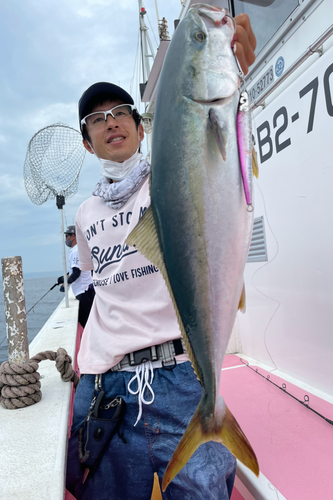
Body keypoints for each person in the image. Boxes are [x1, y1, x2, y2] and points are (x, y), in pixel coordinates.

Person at [66, 14, 256, 500]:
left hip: (181, 374)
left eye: (121, 112)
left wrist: (238, 76)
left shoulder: (170, 181)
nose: (111, 122)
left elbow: (220, 163)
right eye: (96, 119)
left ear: (142, 126)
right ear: (88, 144)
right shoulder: (86, 213)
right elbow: (93, 284)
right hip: (108, 389)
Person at [57, 225, 95, 328]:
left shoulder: (76, 251)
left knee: (85, 323)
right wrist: (64, 278)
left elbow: (77, 273)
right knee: (88, 321)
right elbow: (75, 270)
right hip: (86, 290)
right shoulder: (78, 249)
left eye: (67, 236)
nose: (66, 239)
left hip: (84, 292)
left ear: (73, 236)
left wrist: (65, 285)